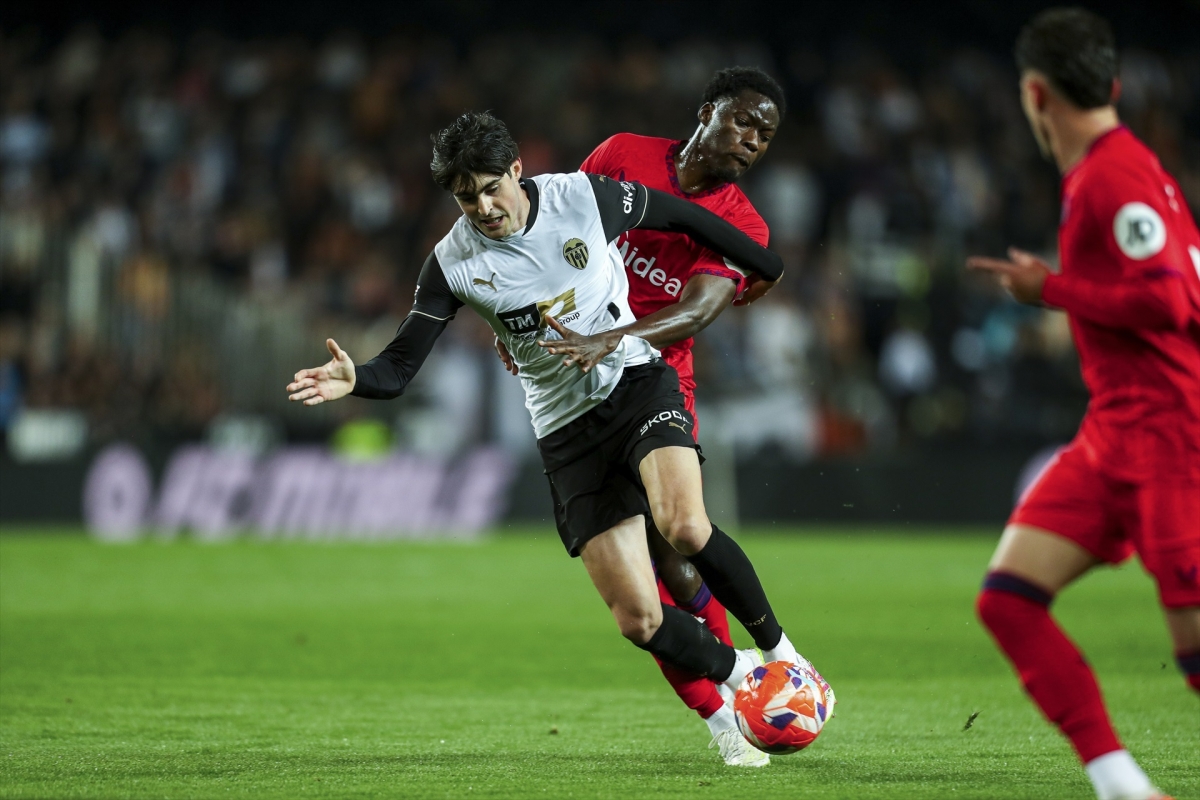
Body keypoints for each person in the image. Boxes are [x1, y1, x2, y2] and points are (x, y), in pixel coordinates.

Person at [286, 112, 830, 747]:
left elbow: (682, 217)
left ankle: (785, 656)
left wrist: (767, 264)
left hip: (635, 382)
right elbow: (401, 365)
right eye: (467, 196)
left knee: (682, 525)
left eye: (492, 186)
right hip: (566, 429)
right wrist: (357, 379)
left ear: (518, 170)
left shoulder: (581, 197)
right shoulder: (452, 263)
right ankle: (736, 685)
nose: (484, 207)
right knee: (638, 618)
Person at [495, 66, 794, 766]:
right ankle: (725, 715)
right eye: (745, 121)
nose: (753, 140)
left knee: (682, 549)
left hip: (659, 380)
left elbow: (695, 309)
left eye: (767, 135)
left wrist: (615, 338)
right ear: (707, 110)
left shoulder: (743, 222)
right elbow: (552, 238)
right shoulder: (621, 153)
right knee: (644, 601)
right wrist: (523, 328)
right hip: (573, 380)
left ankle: (760, 676)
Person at [967, 9, 1200, 800]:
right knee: (1007, 601)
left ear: (1035, 95)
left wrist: (1050, 290)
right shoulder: (1109, 171)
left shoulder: (1113, 173)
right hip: (1113, 434)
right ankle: (1124, 788)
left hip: (1170, 436)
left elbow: (1169, 301)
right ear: (1113, 84)